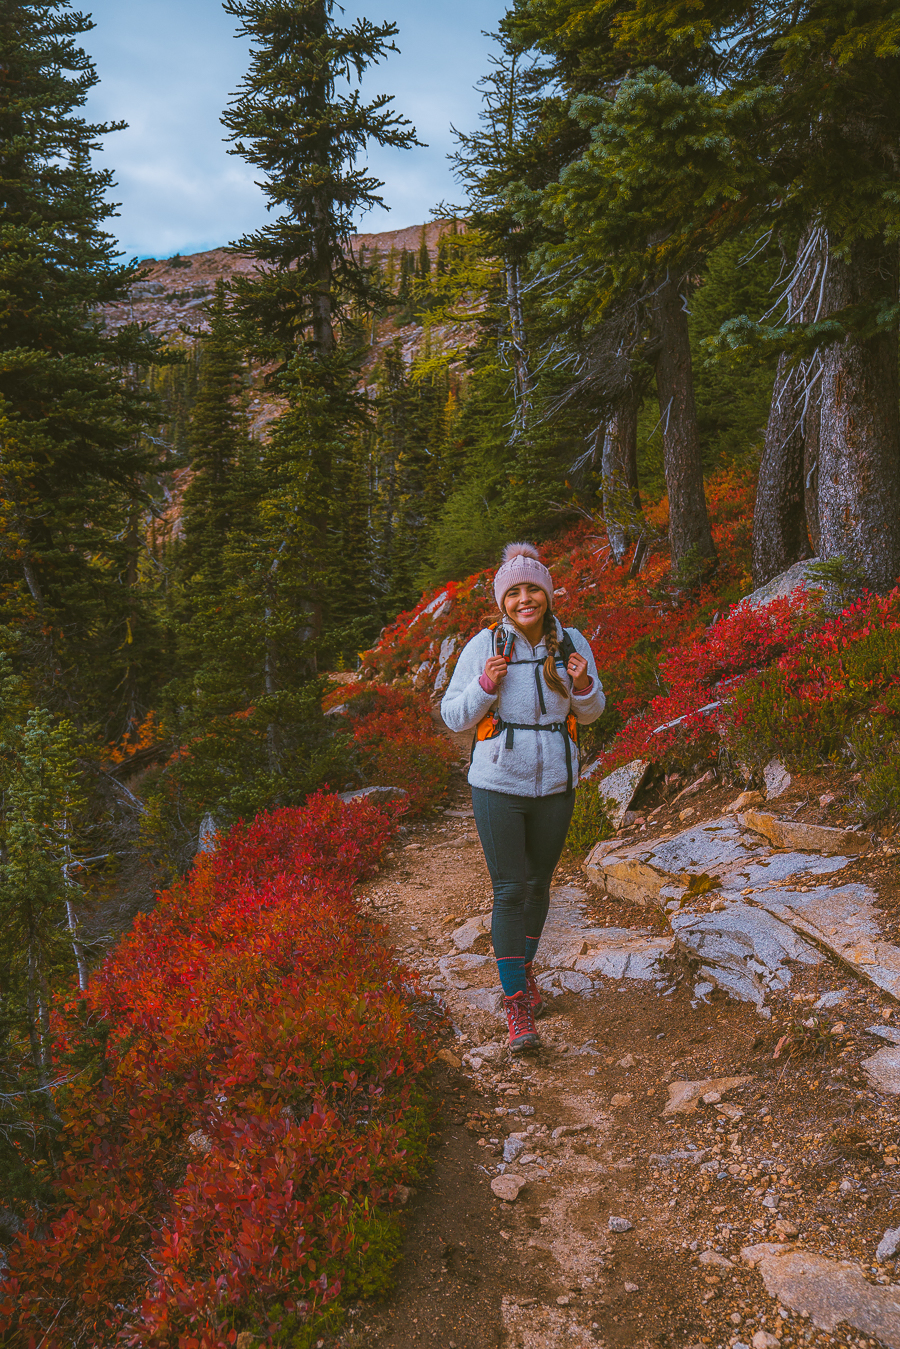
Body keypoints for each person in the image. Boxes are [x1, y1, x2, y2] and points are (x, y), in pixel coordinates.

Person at [441, 542, 605, 1052]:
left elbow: (595, 710)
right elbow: (453, 716)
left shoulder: (571, 640)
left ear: (548, 594)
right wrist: (486, 685)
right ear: (502, 601)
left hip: (557, 785)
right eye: (514, 592)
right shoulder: (484, 645)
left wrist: (583, 686)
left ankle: (522, 976)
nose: (525, 599)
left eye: (533, 588)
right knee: (511, 890)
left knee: (539, 885)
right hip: (498, 785)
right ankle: (516, 1005)